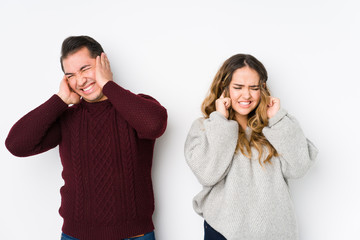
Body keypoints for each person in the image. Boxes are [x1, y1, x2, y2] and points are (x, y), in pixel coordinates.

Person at [5, 36, 167, 240]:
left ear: (103, 62)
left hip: (134, 235)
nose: (80, 80)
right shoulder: (67, 117)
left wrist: (107, 84)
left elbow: (155, 125)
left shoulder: (136, 106)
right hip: (76, 236)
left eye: (85, 69)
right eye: (70, 75)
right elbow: (16, 144)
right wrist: (60, 100)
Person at [184, 54, 318, 240]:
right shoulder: (205, 127)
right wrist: (221, 122)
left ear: (262, 89)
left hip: (275, 233)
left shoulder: (275, 127)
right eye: (238, 87)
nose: (246, 95)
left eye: (254, 88)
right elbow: (207, 174)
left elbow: (299, 167)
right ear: (224, 89)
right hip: (223, 232)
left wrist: (277, 119)